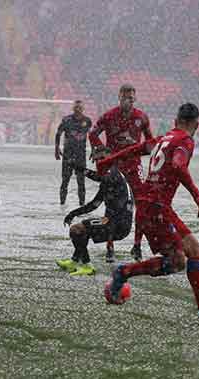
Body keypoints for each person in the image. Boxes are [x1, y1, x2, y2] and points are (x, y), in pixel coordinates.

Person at [98, 103, 199, 321]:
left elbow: (136, 150)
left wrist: (107, 160)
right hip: (156, 208)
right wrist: (198, 196)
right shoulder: (185, 141)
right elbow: (179, 166)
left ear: (175, 121)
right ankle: (123, 272)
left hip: (155, 206)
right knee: (177, 261)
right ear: (196, 125)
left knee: (194, 251)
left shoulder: (164, 138)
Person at [88, 84, 153, 262]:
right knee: (112, 207)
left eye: (131, 98)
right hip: (114, 167)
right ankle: (110, 247)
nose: (128, 101)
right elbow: (92, 134)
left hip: (133, 166)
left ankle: (137, 245)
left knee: (142, 204)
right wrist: (100, 149)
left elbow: (150, 143)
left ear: (135, 99)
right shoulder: (109, 116)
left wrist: (141, 150)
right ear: (119, 97)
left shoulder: (141, 117)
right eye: (125, 97)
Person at [56, 146, 134, 275]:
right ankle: (75, 261)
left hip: (119, 223)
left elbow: (99, 177)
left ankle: (87, 266)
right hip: (115, 222)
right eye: (97, 160)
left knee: (76, 230)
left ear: (111, 158)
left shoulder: (113, 173)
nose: (100, 163)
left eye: (103, 159)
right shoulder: (108, 181)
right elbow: (94, 204)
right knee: (82, 230)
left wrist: (75, 166)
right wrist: (72, 213)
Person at [55, 100, 93, 206]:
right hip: (68, 155)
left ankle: (82, 205)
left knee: (81, 182)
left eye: (80, 108)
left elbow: (92, 136)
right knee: (65, 180)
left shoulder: (87, 121)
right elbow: (58, 133)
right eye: (76, 108)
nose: (78, 110)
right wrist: (57, 149)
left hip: (81, 155)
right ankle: (62, 204)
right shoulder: (66, 120)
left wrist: (94, 150)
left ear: (83, 109)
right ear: (73, 108)